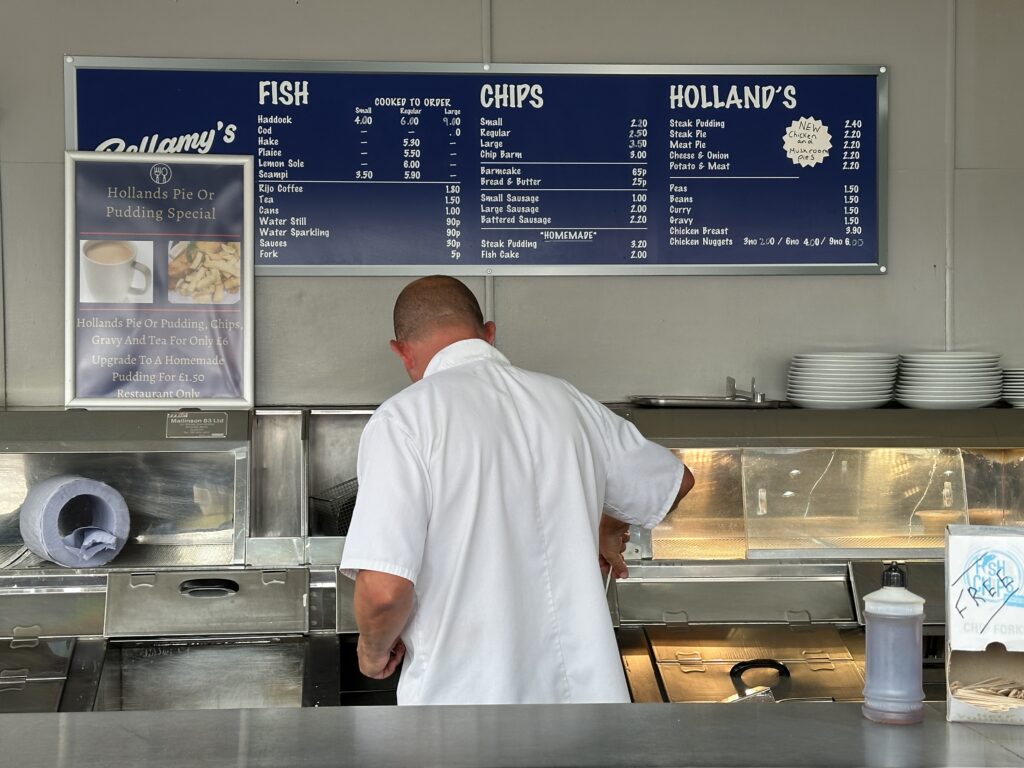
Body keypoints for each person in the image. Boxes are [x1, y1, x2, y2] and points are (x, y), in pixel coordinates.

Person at [339, 275, 693, 705]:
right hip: (588, 710)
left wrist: (371, 653)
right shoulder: (570, 402)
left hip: (466, 716)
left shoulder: (403, 421)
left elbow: (384, 591)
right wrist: (609, 518)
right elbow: (675, 482)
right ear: (489, 333)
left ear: (401, 350)